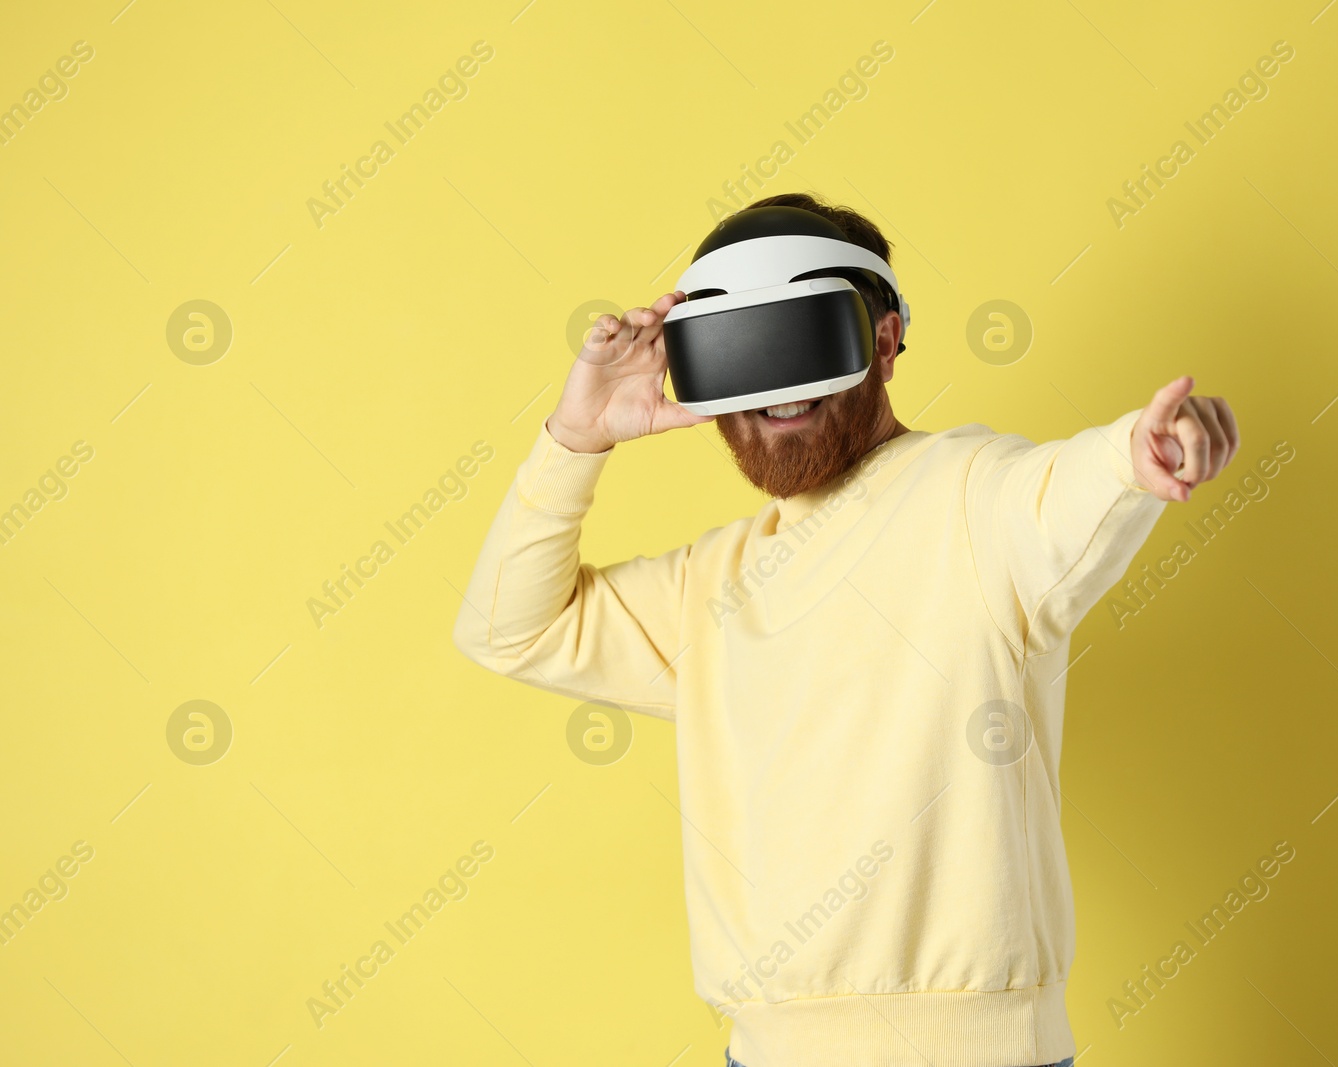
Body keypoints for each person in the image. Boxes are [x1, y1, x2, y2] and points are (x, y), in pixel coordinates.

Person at [453, 192, 1239, 1067]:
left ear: (886, 340)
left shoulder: (973, 495)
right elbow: (506, 626)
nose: (778, 391)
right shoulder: (712, 589)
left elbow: (1062, 492)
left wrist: (1140, 452)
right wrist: (577, 437)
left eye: (803, 341)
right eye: (743, 352)